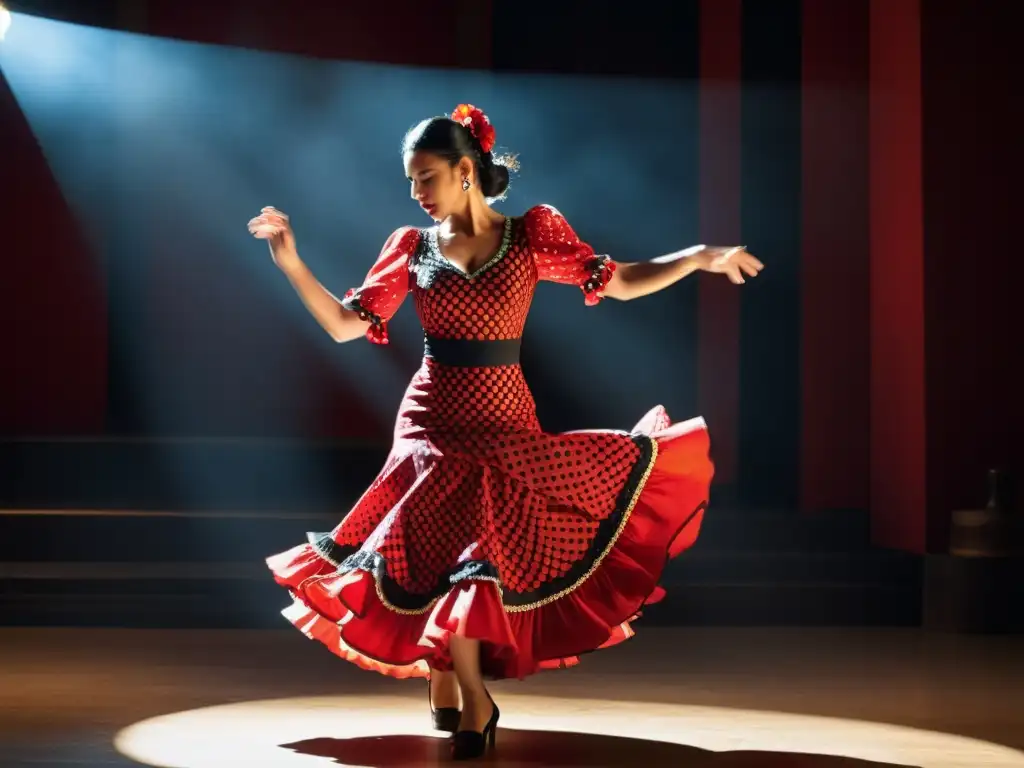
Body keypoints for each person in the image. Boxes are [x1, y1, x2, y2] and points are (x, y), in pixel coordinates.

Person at [249, 103, 762, 761]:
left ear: (466, 169)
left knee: (476, 554)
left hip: (502, 420)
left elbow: (622, 282)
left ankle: (460, 683)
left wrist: (698, 257)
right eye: (411, 180)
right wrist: (290, 262)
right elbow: (347, 325)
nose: (416, 192)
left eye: (426, 176)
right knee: (437, 549)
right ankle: (464, 687)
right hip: (430, 421)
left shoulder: (530, 236)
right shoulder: (410, 246)